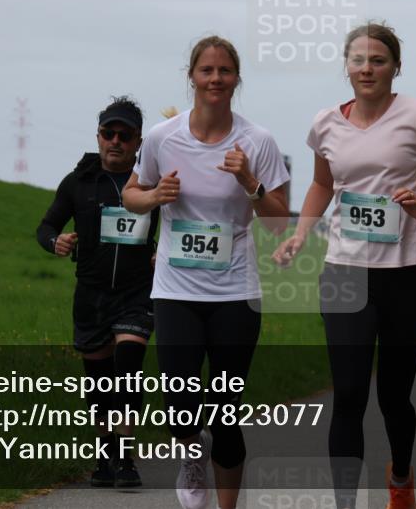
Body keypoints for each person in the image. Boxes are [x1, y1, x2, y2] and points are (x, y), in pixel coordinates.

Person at [272, 23, 416, 509]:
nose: (367, 69)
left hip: (407, 273)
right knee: (347, 393)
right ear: (346, 66)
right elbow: (322, 185)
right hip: (345, 271)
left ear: (396, 67)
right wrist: (301, 232)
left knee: (392, 397)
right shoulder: (326, 122)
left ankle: (401, 475)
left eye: (378, 60)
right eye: (358, 60)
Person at [122, 36, 291, 509]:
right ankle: (191, 457)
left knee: (225, 413)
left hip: (235, 291)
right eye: (206, 70)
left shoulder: (257, 141)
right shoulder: (162, 137)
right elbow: (131, 195)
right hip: (176, 289)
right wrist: (154, 197)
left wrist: (249, 181)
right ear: (191, 76)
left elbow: (279, 223)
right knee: (180, 407)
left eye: (225, 71)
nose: (215, 79)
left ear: (237, 78)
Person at [35, 96, 158, 488]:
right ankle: (104, 459)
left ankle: (126, 459)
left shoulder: (149, 182)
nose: (116, 141)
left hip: (136, 292)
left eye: (125, 135)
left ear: (139, 141)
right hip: (91, 294)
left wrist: (163, 253)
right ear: (99, 136)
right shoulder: (77, 183)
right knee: (100, 381)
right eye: (109, 133)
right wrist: (56, 241)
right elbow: (45, 226)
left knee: (128, 365)